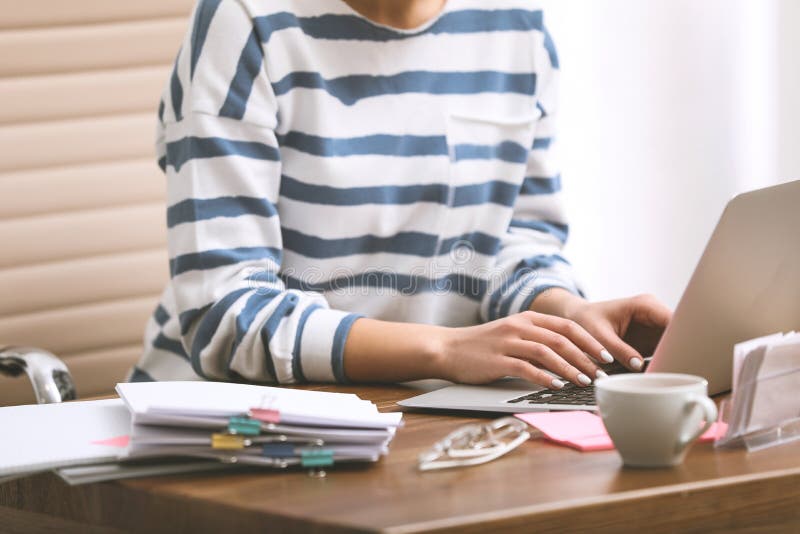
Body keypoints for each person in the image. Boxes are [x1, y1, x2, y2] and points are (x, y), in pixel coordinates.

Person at [130, 0, 672, 390]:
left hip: (426, 408)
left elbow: (506, 240)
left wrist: (564, 314)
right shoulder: (247, 22)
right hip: (232, 422)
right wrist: (446, 349)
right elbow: (224, 316)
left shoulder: (516, 28)